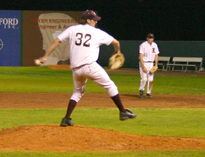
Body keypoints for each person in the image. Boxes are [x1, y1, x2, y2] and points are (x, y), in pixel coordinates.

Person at [36, 10, 137, 126]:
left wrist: (45, 56)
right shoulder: (97, 32)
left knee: (78, 92)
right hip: (90, 67)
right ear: (88, 20)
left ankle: (66, 119)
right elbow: (116, 42)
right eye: (94, 19)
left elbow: (56, 41)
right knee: (110, 86)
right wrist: (117, 51)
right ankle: (123, 112)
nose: (95, 21)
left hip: (76, 70)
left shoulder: (72, 29)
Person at [138, 33, 160, 99]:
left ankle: (148, 93)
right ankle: (141, 90)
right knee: (144, 79)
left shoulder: (155, 45)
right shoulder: (143, 45)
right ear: (147, 38)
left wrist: (156, 64)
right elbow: (141, 56)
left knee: (151, 79)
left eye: (152, 38)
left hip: (151, 63)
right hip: (144, 62)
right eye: (150, 38)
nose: (151, 39)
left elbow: (156, 55)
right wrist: (143, 66)